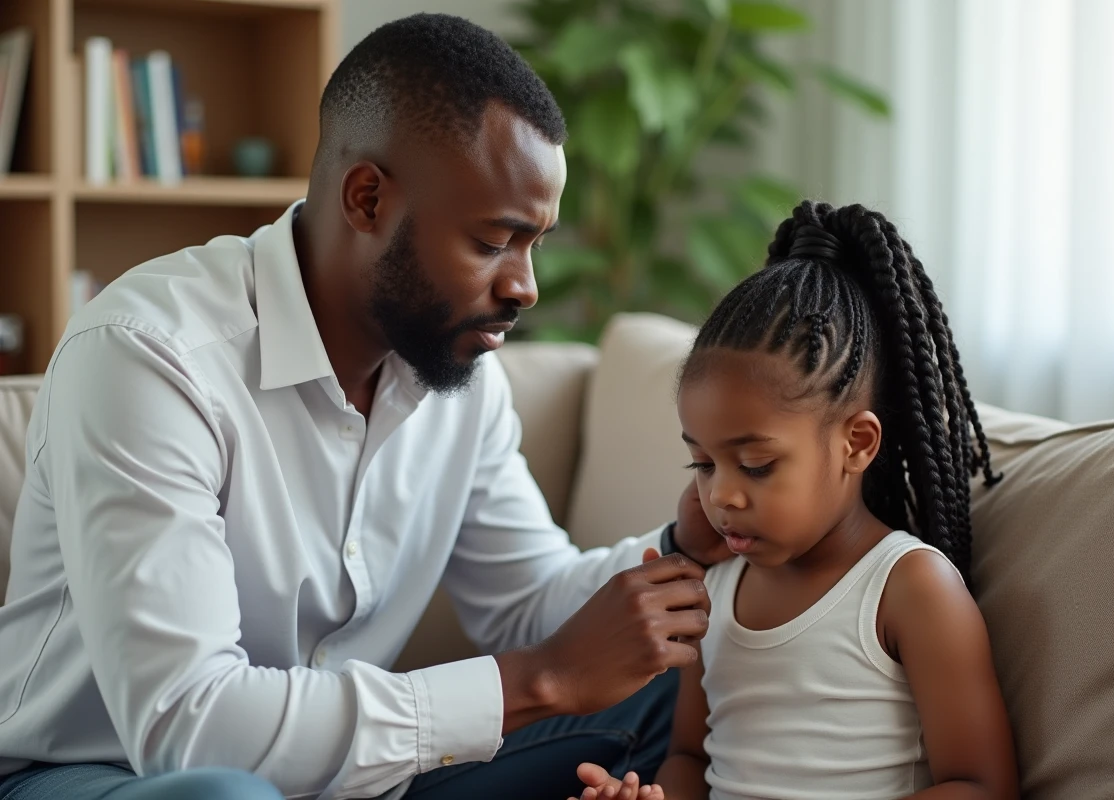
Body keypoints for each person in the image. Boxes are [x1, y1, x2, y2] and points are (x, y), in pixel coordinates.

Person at [0, 14, 730, 800]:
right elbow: (191, 726)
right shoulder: (148, 355)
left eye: (535, 244)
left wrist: (683, 547)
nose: (526, 287)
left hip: (361, 781)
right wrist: (540, 681)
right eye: (493, 241)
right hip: (101, 775)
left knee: (686, 686)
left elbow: (527, 603)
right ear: (366, 198)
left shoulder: (460, 377)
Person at [573, 201, 1021, 800]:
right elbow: (687, 756)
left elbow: (982, 786)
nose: (721, 495)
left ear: (855, 444)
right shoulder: (717, 589)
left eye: (756, 466)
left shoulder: (909, 587)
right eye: (702, 464)